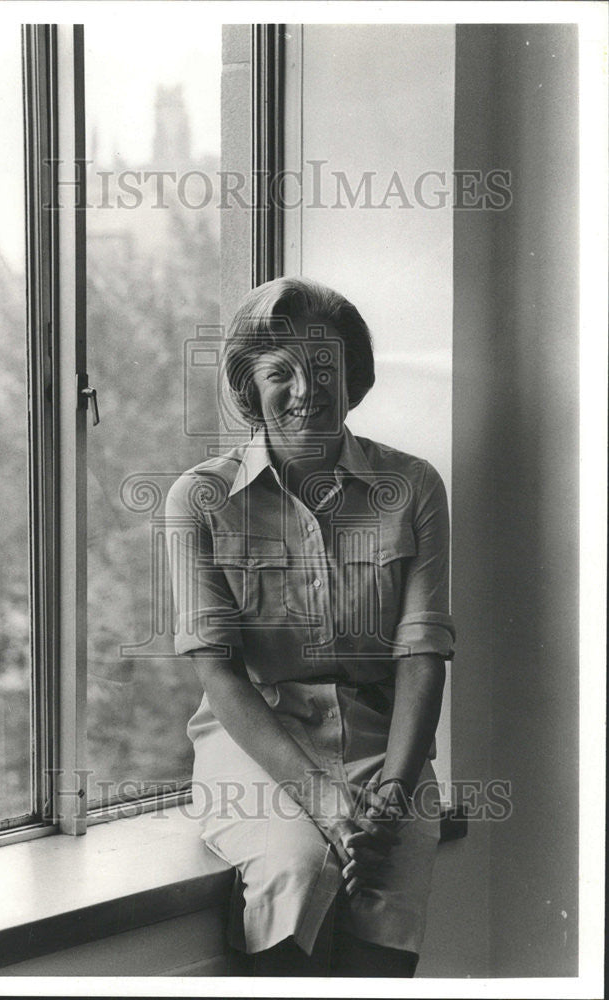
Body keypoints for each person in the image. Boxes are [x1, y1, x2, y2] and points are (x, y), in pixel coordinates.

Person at [165, 276, 455, 977]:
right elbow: (220, 674)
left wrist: (394, 788)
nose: (307, 389)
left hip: (386, 744)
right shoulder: (199, 499)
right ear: (247, 387)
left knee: (387, 881)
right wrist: (323, 802)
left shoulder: (413, 486)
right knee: (295, 867)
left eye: (326, 367)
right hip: (260, 740)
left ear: (353, 379)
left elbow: (423, 655)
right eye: (280, 372)